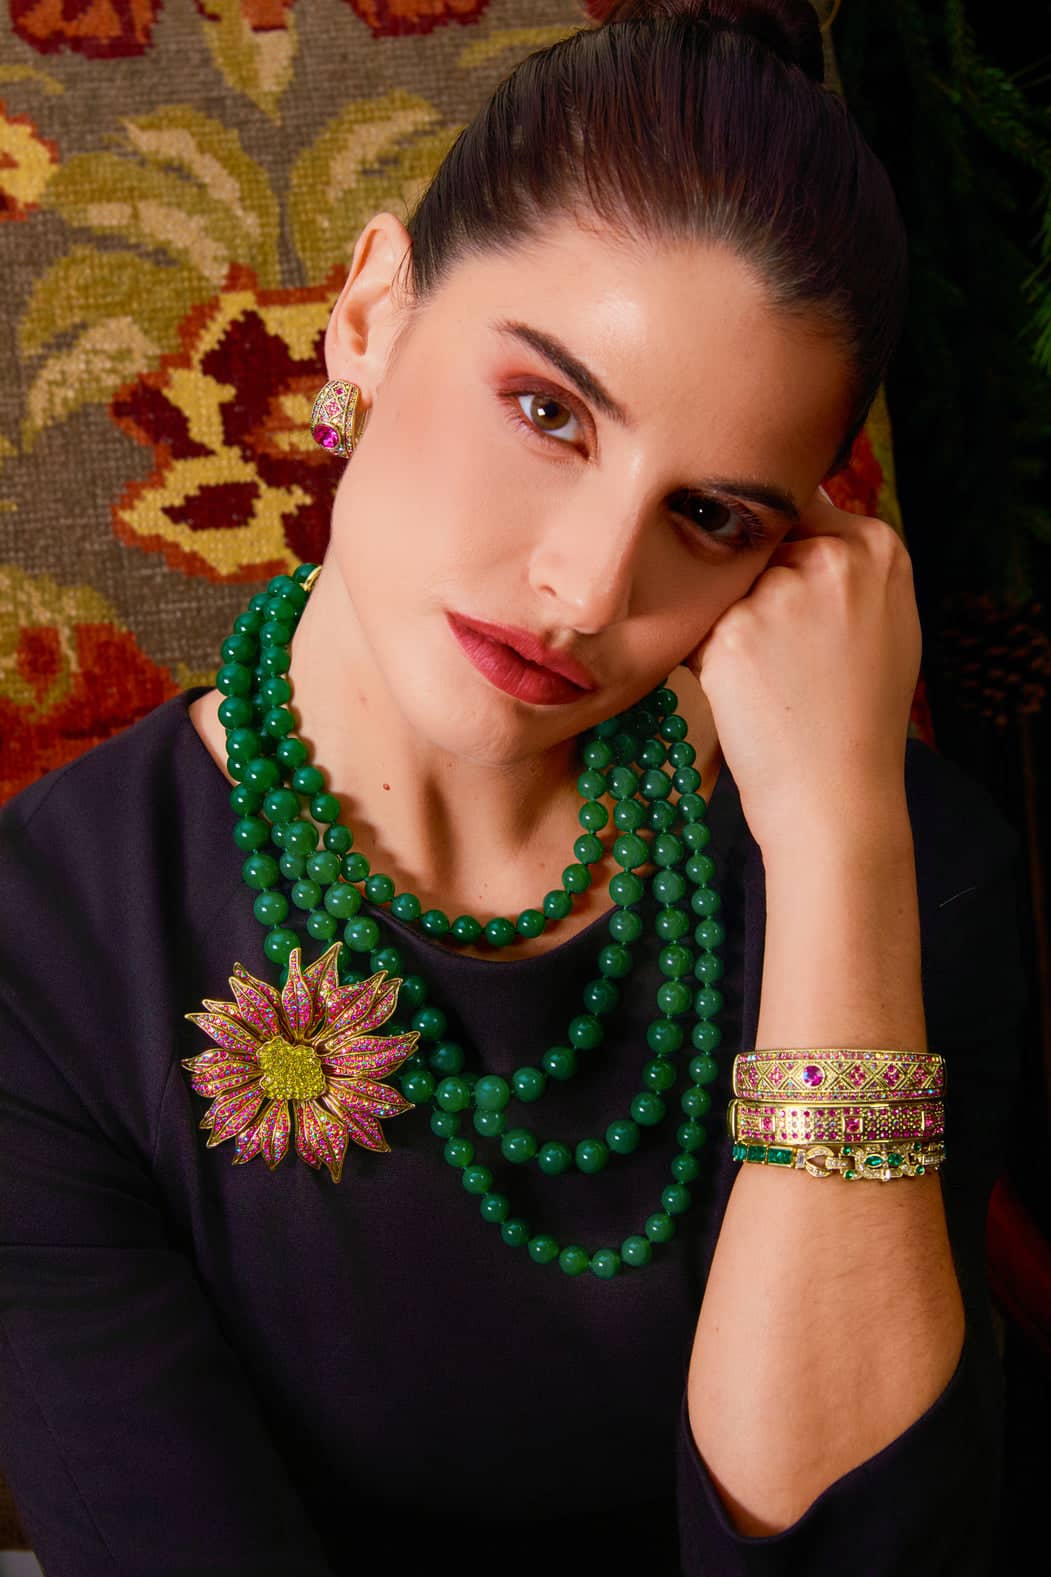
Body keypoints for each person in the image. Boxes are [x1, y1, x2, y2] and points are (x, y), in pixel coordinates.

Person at [0, 1, 1029, 1572]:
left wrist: (830, 850)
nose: (586, 585)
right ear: (369, 316)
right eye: (549, 411)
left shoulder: (896, 867)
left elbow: (866, 1551)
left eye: (713, 517)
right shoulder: (46, 951)